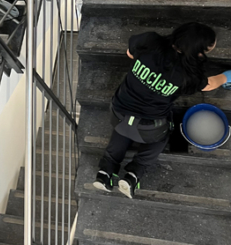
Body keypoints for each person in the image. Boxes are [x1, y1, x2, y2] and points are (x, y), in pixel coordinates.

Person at [93, 23, 231, 199]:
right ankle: (134, 173)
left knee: (124, 128)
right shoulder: (189, 75)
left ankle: (105, 171)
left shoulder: (150, 40)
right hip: (149, 128)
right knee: (163, 135)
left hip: (118, 112)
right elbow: (209, 84)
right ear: (198, 53)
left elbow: (130, 52)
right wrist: (227, 76)